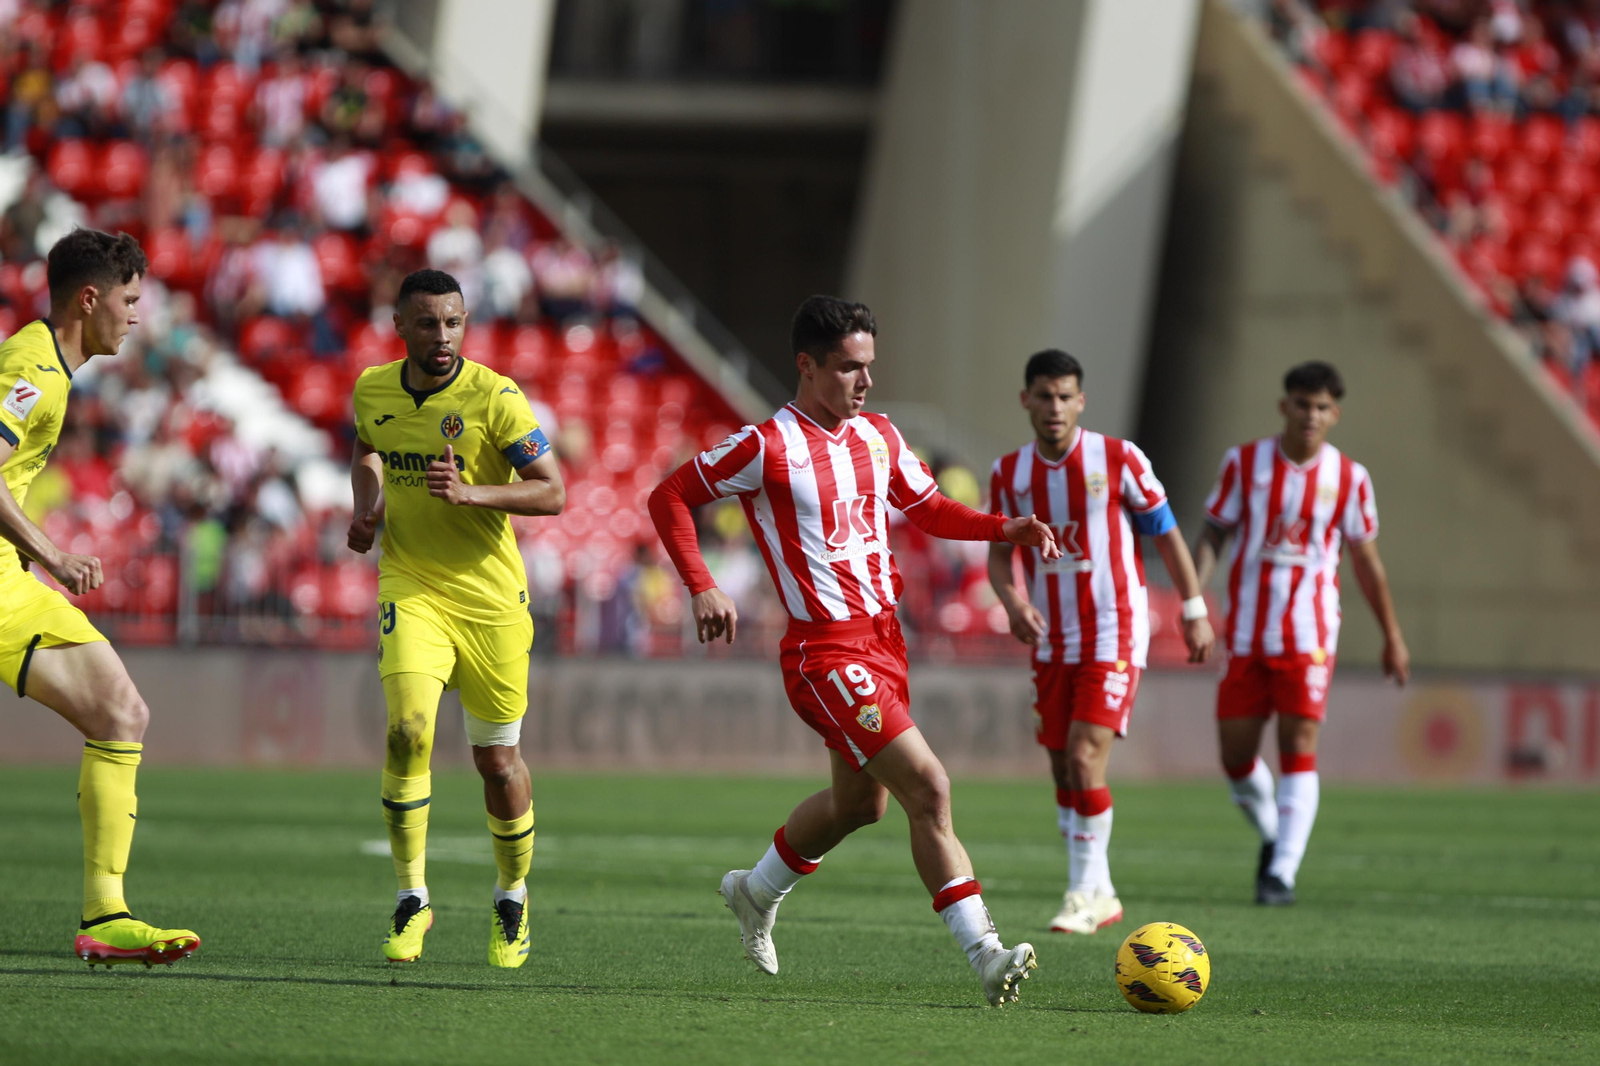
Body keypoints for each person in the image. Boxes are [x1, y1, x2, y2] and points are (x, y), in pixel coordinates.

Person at [648, 295, 1059, 1007]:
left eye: (869, 366)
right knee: (929, 789)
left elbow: (927, 508)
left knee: (859, 806)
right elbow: (670, 496)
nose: (864, 381)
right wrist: (702, 585)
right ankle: (986, 952)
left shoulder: (879, 435)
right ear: (807, 367)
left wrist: (1005, 528)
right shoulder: (766, 446)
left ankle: (755, 891)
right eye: (848, 368)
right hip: (824, 653)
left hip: (884, 641)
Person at [346, 269, 565, 966]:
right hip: (410, 584)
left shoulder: (496, 397)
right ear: (400, 328)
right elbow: (367, 447)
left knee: (496, 762)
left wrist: (470, 494)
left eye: (453, 322)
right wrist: (366, 507)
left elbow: (553, 492)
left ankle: (512, 897)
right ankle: (412, 898)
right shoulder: (372, 390)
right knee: (408, 731)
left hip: (491, 599)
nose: (442, 336)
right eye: (428, 323)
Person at [0, 228, 200, 967]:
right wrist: (51, 554)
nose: (137, 315)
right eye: (129, 300)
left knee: (120, 712)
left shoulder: (46, 365)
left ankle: (106, 916)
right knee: (121, 711)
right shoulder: (33, 370)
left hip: (6, 579)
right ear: (90, 299)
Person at [987, 349, 1214, 936]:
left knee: (1087, 756)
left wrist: (1192, 608)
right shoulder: (1009, 474)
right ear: (1026, 400)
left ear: (1080, 401)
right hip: (1051, 638)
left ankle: (1083, 892)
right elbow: (997, 553)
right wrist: (1013, 602)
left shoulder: (1118, 458)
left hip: (1114, 628)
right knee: (1064, 767)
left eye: (1065, 396)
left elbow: (1166, 536)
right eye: (1044, 395)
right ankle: (1102, 891)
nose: (1055, 406)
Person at [1193, 362, 1409, 905]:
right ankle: (1275, 837)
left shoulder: (1350, 478)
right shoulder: (1244, 464)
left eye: (1321, 407)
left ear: (1334, 414)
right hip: (1245, 630)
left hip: (1309, 633)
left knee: (1298, 747)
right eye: (1301, 403)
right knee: (1236, 758)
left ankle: (1280, 874)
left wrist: (1392, 634)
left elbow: (1366, 562)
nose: (1309, 415)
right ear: (1283, 406)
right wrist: (1195, 600)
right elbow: (1213, 534)